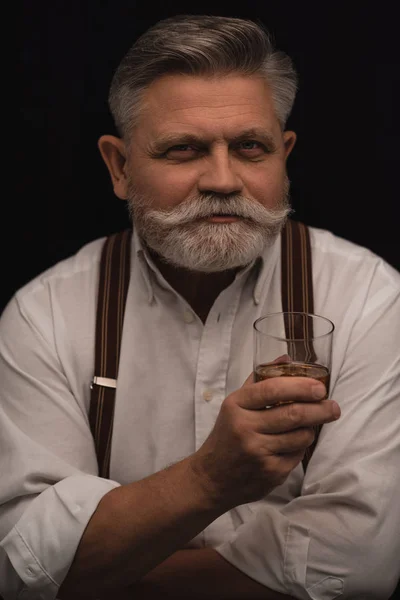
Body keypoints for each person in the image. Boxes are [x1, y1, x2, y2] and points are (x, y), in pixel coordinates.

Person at [1, 14, 399, 600]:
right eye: (184, 149)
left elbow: (361, 566)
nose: (222, 179)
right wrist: (209, 479)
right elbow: (21, 563)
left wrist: (103, 568)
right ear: (119, 166)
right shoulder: (46, 315)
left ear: (283, 156)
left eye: (249, 147)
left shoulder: (370, 297)